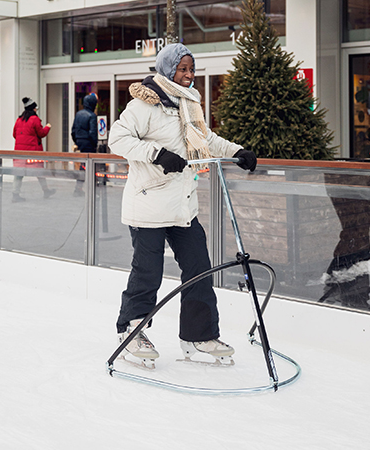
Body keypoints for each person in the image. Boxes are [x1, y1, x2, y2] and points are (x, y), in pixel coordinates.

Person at [108, 43, 257, 368]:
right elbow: (117, 138)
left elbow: (206, 139)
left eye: (191, 69)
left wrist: (238, 151)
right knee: (148, 272)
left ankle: (198, 334)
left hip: (182, 205)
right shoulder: (144, 104)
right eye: (183, 69)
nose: (189, 75)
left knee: (199, 268)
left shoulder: (188, 104)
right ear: (167, 69)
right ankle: (131, 329)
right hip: (148, 203)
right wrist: (157, 154)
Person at [12, 97, 56, 203]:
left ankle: (15, 194)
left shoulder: (19, 120)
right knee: (39, 172)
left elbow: (14, 135)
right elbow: (41, 133)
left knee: (18, 174)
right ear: (33, 109)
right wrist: (48, 127)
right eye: (36, 108)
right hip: (33, 151)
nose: (36, 110)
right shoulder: (35, 120)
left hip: (19, 152)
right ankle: (46, 190)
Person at [71, 93, 98, 196]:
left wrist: (77, 141)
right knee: (90, 166)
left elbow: (73, 130)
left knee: (83, 166)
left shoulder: (78, 114)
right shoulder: (92, 116)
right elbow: (92, 132)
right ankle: (92, 189)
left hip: (80, 141)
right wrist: (94, 144)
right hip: (88, 143)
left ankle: (79, 187)